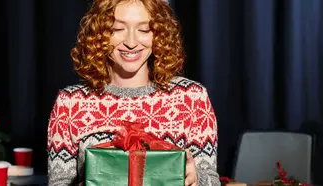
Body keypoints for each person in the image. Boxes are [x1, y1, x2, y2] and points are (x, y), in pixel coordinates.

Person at [46, 0, 220, 185]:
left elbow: (211, 179)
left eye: (144, 30)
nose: (130, 42)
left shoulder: (192, 98)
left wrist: (196, 179)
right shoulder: (71, 103)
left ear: (160, 34)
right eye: (117, 29)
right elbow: (59, 182)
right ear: (100, 34)